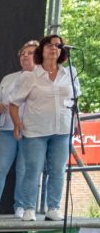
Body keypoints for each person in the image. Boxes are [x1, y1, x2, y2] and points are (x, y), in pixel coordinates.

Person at [10, 34, 80, 222]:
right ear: (42, 50)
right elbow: (14, 103)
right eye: (49, 45)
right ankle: (29, 208)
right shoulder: (32, 75)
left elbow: (75, 100)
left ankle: (54, 208)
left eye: (58, 45)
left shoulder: (70, 73)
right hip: (35, 131)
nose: (53, 48)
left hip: (62, 130)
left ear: (63, 51)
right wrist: (17, 124)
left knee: (58, 170)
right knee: (33, 170)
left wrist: (75, 121)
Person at [0, 40, 38, 219]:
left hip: (31, 132)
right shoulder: (8, 78)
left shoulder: (42, 78)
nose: (25, 56)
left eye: (30, 53)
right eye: (23, 54)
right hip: (6, 129)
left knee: (24, 171)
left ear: (38, 56)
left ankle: (21, 207)